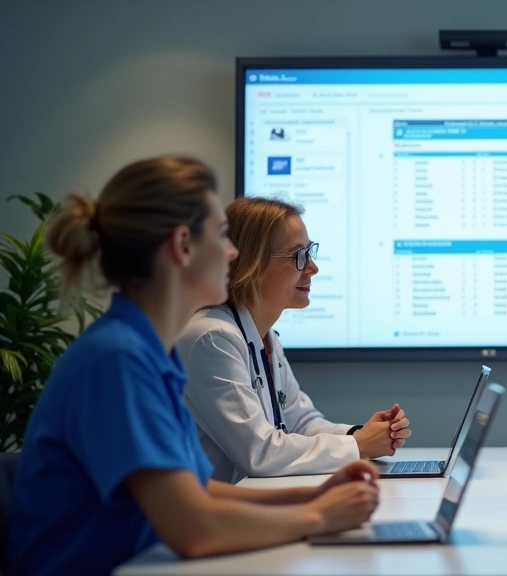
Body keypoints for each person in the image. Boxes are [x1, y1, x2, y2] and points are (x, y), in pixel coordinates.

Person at [8, 157, 380, 576]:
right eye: (222, 234)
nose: (234, 252)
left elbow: (198, 492)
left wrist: (310, 497)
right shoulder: (118, 359)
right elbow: (194, 530)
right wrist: (319, 517)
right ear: (183, 245)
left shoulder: (152, 352)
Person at [176, 197, 411, 483]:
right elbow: (260, 453)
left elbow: (300, 422)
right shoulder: (212, 339)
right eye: (298, 255)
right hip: (216, 509)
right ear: (251, 262)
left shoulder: (266, 338)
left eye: (310, 252)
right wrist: (358, 445)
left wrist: (359, 434)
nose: (312, 267)